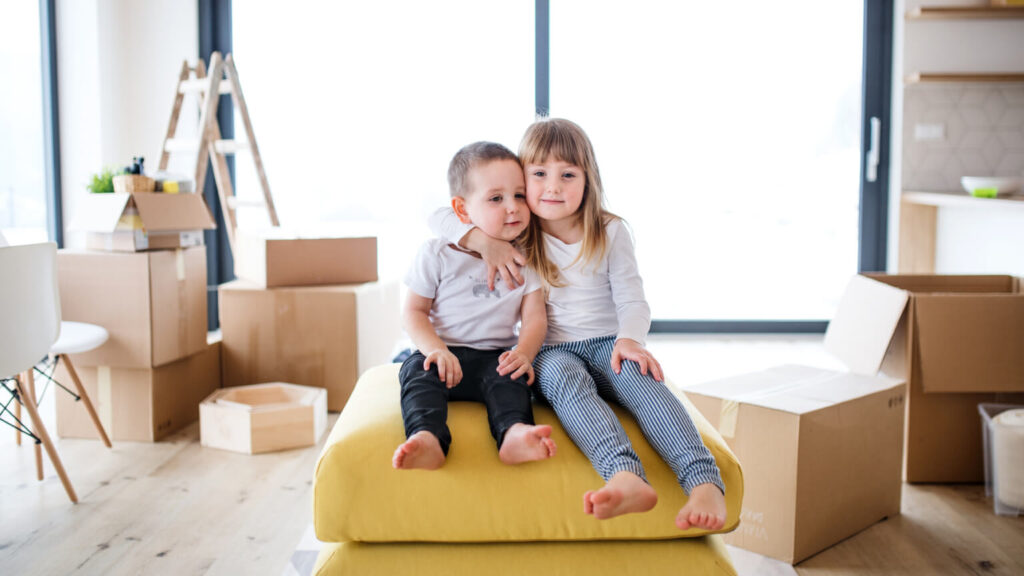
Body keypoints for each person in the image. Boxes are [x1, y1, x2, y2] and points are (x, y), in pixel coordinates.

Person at [429, 119, 726, 531]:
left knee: (645, 386)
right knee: (568, 387)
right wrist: (482, 241)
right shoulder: (518, 229)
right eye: (539, 175)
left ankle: (704, 481)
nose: (552, 187)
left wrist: (630, 340)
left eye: (567, 174)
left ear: (588, 180)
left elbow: (632, 298)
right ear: (523, 181)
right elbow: (441, 216)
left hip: (609, 341)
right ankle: (623, 474)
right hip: (551, 350)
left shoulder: (609, 230)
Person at [393, 141, 557, 471]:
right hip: (444, 352)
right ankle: (427, 437)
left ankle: (513, 433)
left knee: (512, 381)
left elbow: (535, 318)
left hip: (494, 356)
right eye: (496, 198)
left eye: (520, 195)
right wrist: (435, 350)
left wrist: (523, 353)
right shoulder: (437, 253)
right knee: (415, 374)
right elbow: (413, 312)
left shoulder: (528, 258)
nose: (513, 207)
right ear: (463, 210)